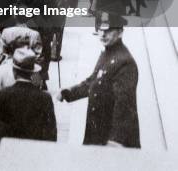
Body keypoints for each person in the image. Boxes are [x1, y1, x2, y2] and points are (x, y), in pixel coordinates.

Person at [58, 12, 140, 148]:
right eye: (100, 30)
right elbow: (93, 81)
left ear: (120, 32)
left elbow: (124, 104)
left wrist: (116, 140)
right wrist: (68, 93)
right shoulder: (107, 53)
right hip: (98, 132)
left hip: (112, 140)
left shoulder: (125, 62)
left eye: (108, 31)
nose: (102, 34)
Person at [0, 47, 57, 141]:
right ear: (32, 73)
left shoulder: (3, 94)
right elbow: (51, 131)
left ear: (14, 71)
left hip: (10, 148)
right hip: (34, 149)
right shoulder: (45, 98)